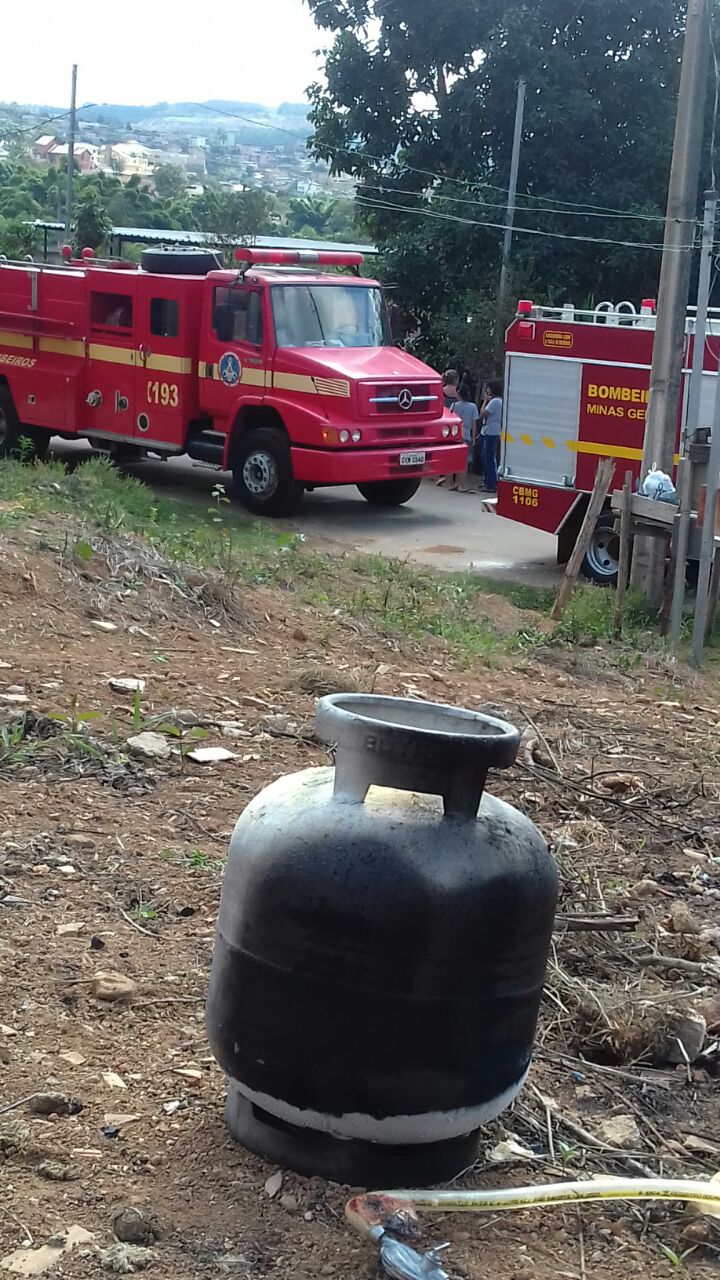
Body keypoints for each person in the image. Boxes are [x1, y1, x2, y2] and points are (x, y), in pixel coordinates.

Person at [448, 384, 479, 492]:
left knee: (452, 460)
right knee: (464, 462)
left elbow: (449, 419)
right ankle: (461, 485)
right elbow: (474, 423)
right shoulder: (473, 407)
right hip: (466, 435)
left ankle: (450, 483)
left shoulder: (454, 405)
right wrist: (474, 437)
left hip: (455, 434)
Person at [478, 378, 503, 494]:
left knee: (489, 457)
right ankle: (487, 480)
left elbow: (482, 413)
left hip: (491, 431)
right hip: (490, 430)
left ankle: (491, 484)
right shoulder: (499, 401)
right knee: (485, 457)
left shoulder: (494, 402)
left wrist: (485, 401)